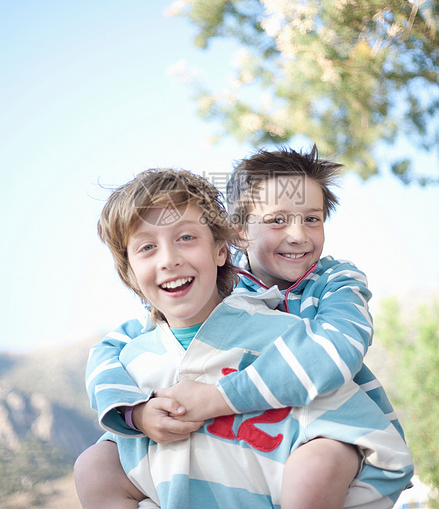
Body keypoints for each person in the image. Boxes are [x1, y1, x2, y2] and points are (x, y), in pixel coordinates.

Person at [75, 152, 413, 507]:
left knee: (317, 470)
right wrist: (135, 412)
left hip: (318, 425)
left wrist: (213, 398)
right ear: (237, 234)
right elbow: (111, 349)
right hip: (240, 440)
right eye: (278, 220)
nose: (298, 235)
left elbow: (332, 353)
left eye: (312, 218)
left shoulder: (336, 283)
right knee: (94, 465)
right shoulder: (221, 290)